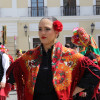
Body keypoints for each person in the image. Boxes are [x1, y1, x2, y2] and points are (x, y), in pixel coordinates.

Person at [7, 16, 100, 100]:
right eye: (40, 29)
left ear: (56, 32)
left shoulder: (70, 55)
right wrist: (26, 87)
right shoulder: (30, 56)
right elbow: (12, 71)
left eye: (47, 29)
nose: (42, 32)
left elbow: (95, 72)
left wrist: (73, 90)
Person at [71, 27, 100, 100]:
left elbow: (92, 74)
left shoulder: (90, 55)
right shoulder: (85, 54)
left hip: (86, 92)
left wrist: (84, 90)